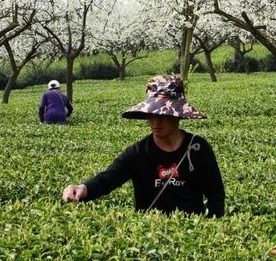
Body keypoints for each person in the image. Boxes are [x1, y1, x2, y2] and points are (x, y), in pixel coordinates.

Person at [61, 75, 225, 216]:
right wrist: (83, 188)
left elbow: (215, 194)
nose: (156, 121)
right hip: (150, 235)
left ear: (178, 115)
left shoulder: (198, 148)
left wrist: (212, 225)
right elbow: (108, 179)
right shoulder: (138, 153)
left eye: (163, 114)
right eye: (152, 114)